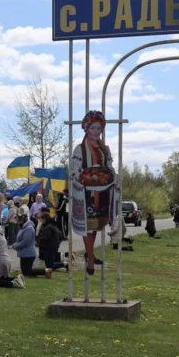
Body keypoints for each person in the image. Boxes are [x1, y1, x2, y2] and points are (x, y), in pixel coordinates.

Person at [69, 111, 120, 276]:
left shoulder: (105, 148)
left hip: (103, 189)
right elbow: (75, 170)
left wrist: (112, 176)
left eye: (99, 128)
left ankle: (90, 253)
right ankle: (90, 258)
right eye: (93, 128)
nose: (96, 131)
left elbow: (110, 166)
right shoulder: (80, 149)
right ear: (86, 128)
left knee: (97, 224)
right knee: (88, 224)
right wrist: (82, 178)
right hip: (87, 192)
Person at [13, 214, 46, 278]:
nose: (17, 222)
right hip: (23, 253)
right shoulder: (22, 228)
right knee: (25, 271)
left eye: (18, 221)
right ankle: (45, 271)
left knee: (27, 272)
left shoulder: (29, 228)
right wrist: (15, 244)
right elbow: (20, 239)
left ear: (22, 220)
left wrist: (16, 246)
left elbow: (26, 242)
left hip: (29, 254)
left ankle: (45, 271)